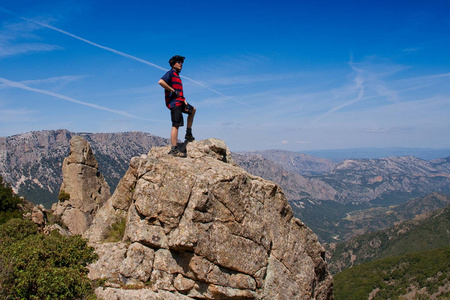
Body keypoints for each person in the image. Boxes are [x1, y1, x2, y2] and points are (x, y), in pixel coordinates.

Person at [158, 55, 196, 157]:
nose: (181, 64)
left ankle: (188, 134)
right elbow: (160, 82)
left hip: (181, 101)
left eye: (181, 62)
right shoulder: (170, 73)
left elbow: (179, 92)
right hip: (174, 103)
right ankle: (174, 149)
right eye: (178, 62)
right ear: (173, 64)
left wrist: (185, 101)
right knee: (176, 125)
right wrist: (173, 90)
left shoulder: (177, 76)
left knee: (193, 110)